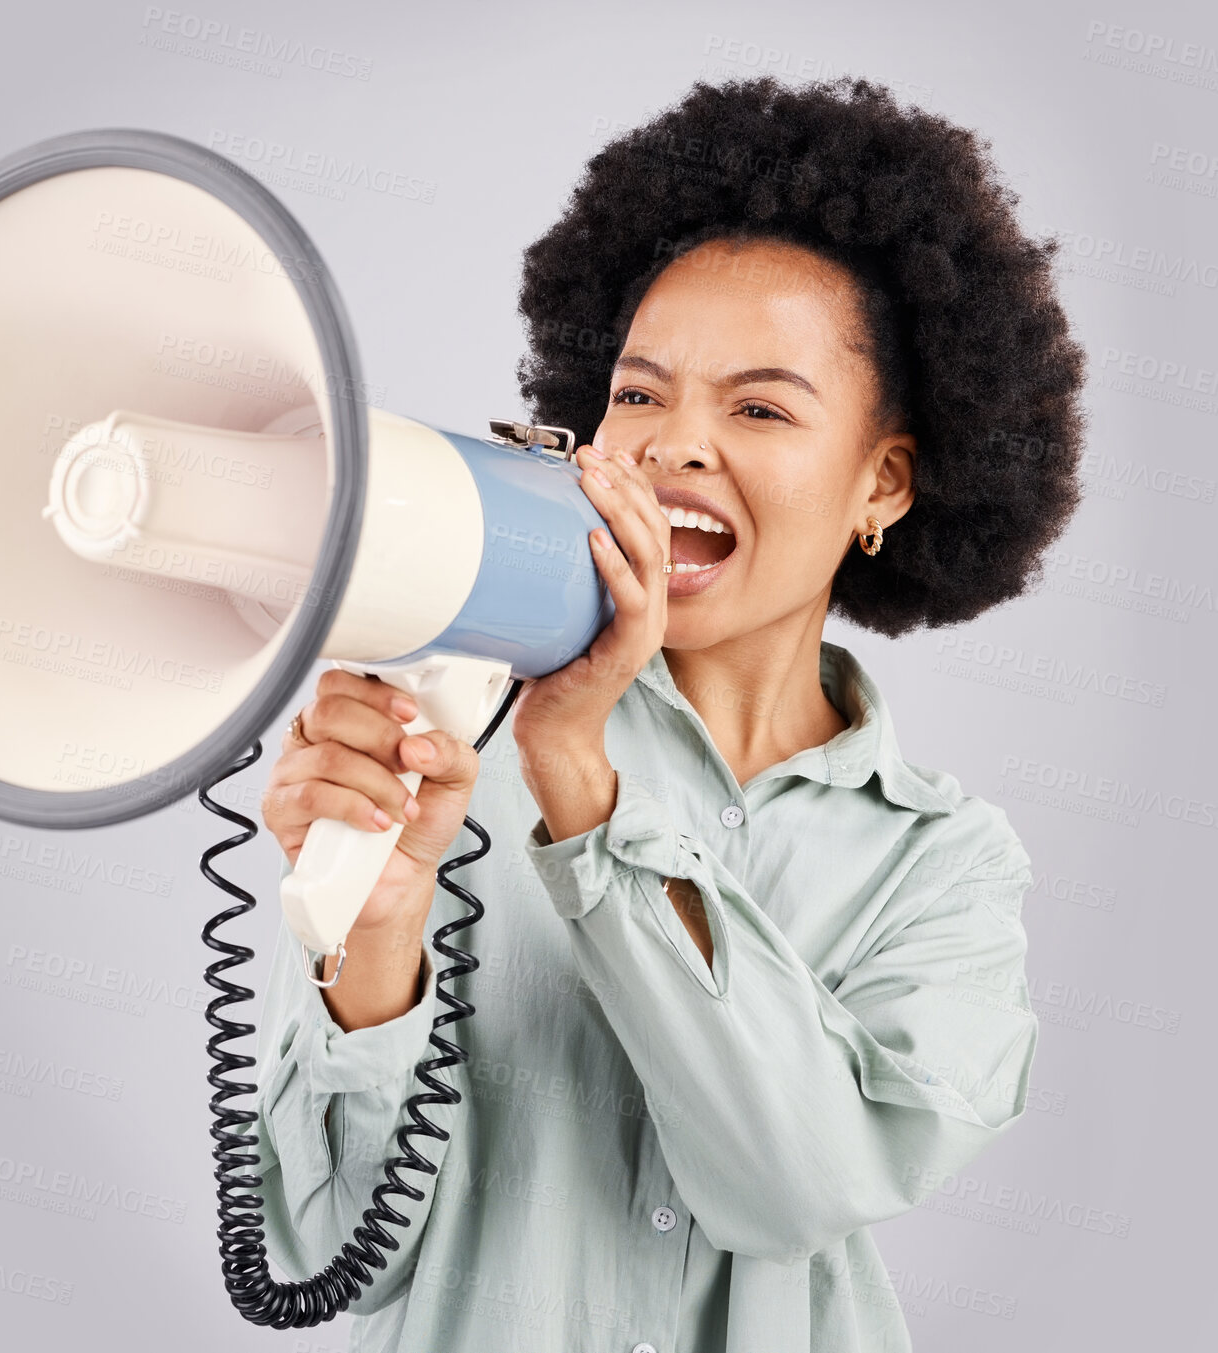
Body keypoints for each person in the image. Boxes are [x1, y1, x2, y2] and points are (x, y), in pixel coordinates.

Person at [250, 74, 1085, 1351]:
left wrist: (582, 780)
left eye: (758, 408)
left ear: (885, 483)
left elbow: (792, 1185)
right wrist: (373, 946)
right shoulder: (454, 745)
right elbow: (318, 1261)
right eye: (638, 395)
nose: (669, 447)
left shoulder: (942, 870)